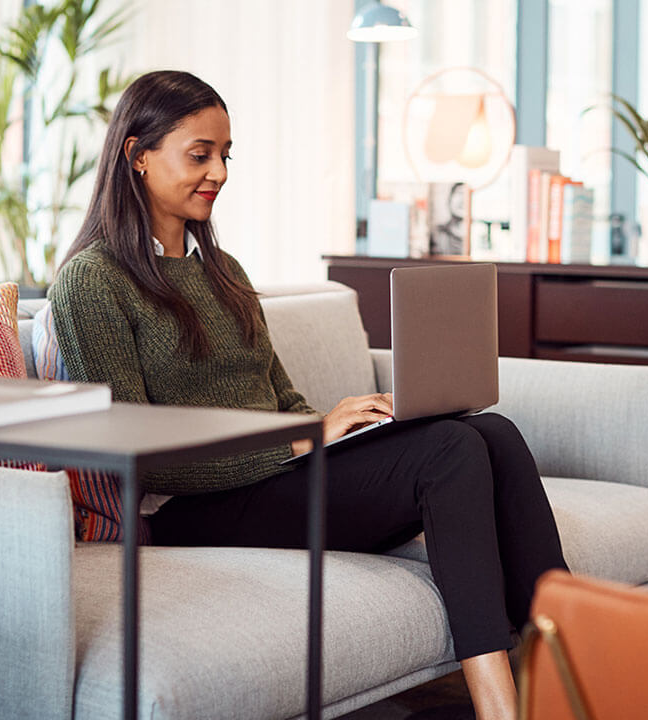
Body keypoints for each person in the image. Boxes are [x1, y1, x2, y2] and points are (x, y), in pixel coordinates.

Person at [48, 70, 567, 720]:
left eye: (225, 155)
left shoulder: (224, 272)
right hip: (190, 507)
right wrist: (303, 437)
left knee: (491, 432)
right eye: (199, 154)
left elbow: (283, 398)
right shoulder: (93, 282)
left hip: (275, 479)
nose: (219, 172)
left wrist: (348, 423)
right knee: (450, 453)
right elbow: (138, 454)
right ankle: (500, 705)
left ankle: (573, 665)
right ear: (137, 155)